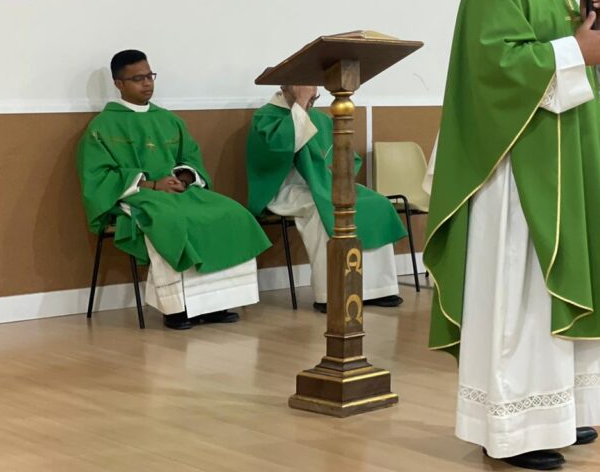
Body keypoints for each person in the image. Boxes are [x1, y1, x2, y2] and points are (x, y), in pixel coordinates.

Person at [424, 0, 600, 471]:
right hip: (517, 173)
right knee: (522, 292)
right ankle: (513, 426)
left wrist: (598, 36)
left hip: (562, 159)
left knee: (551, 291)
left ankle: (557, 411)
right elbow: (497, 71)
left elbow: (585, 71)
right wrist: (575, 48)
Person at [77, 50, 272, 330]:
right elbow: (98, 176)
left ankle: (216, 303)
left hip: (178, 191)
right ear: (118, 84)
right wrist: (151, 184)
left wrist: (184, 178)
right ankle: (177, 308)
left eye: (150, 76)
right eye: (138, 79)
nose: (147, 83)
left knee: (231, 212)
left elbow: (190, 157)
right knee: (167, 220)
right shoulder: (102, 126)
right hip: (136, 194)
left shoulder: (169, 120)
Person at [246, 85, 408, 310]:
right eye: (304, 89)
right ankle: (331, 293)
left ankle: (378, 288)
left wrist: (335, 171)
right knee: (323, 208)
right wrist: (300, 104)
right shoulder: (266, 117)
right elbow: (276, 152)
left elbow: (347, 154)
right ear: (286, 86)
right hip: (286, 189)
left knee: (376, 203)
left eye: (313, 91)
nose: (311, 95)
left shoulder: (321, 119)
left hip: (326, 185)